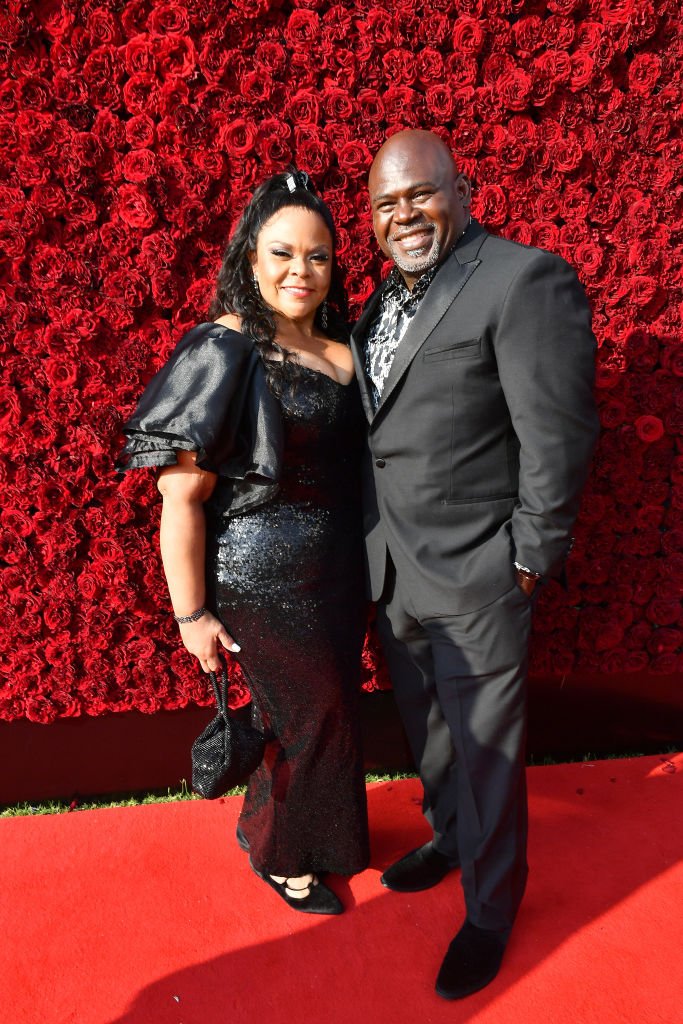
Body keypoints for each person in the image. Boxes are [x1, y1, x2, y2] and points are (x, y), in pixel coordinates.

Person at [349, 131, 599, 997]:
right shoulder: (379, 303)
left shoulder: (520, 279)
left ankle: (491, 912)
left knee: (488, 750)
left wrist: (528, 558)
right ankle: (452, 841)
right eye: (385, 204)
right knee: (434, 735)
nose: (403, 216)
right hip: (396, 568)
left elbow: (555, 432)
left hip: (480, 574)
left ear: (461, 191)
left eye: (419, 196)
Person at [117, 171, 370, 915]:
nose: (301, 271)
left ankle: (280, 827)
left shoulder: (339, 344)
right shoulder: (225, 347)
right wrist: (191, 615)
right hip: (263, 575)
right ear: (250, 260)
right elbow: (182, 495)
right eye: (283, 253)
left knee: (319, 712)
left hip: (339, 570)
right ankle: (284, 856)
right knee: (310, 715)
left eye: (318, 256)